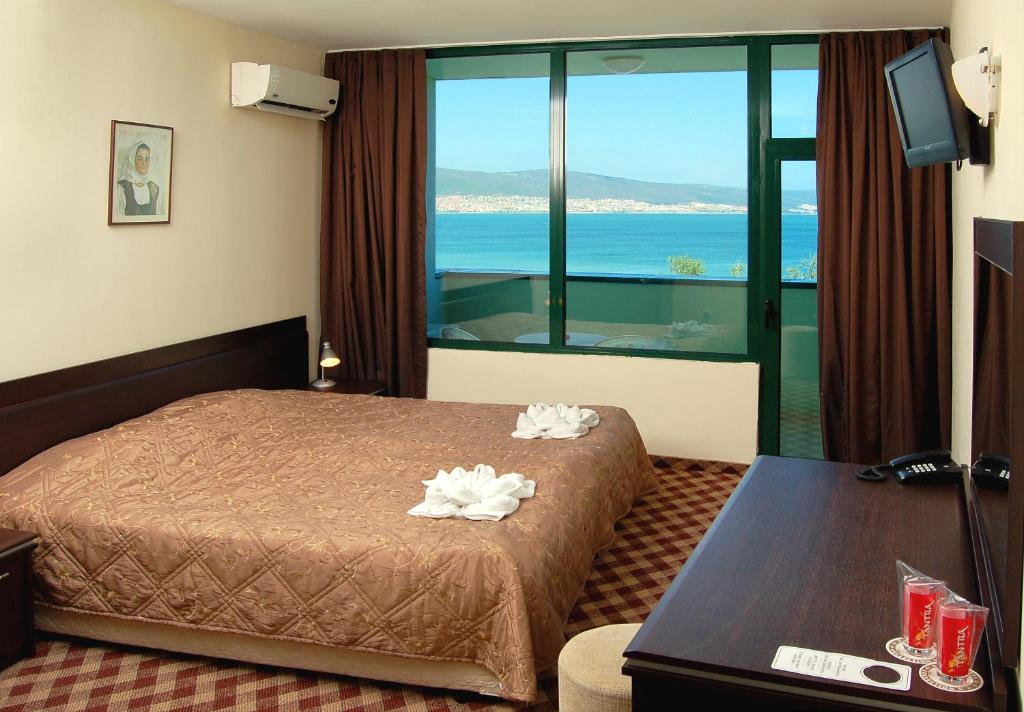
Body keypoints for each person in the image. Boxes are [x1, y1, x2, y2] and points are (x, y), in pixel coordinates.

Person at [115, 141, 163, 217]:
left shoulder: (156, 189)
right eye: (139, 158)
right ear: (132, 160)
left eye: (146, 159)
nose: (144, 163)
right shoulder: (121, 188)